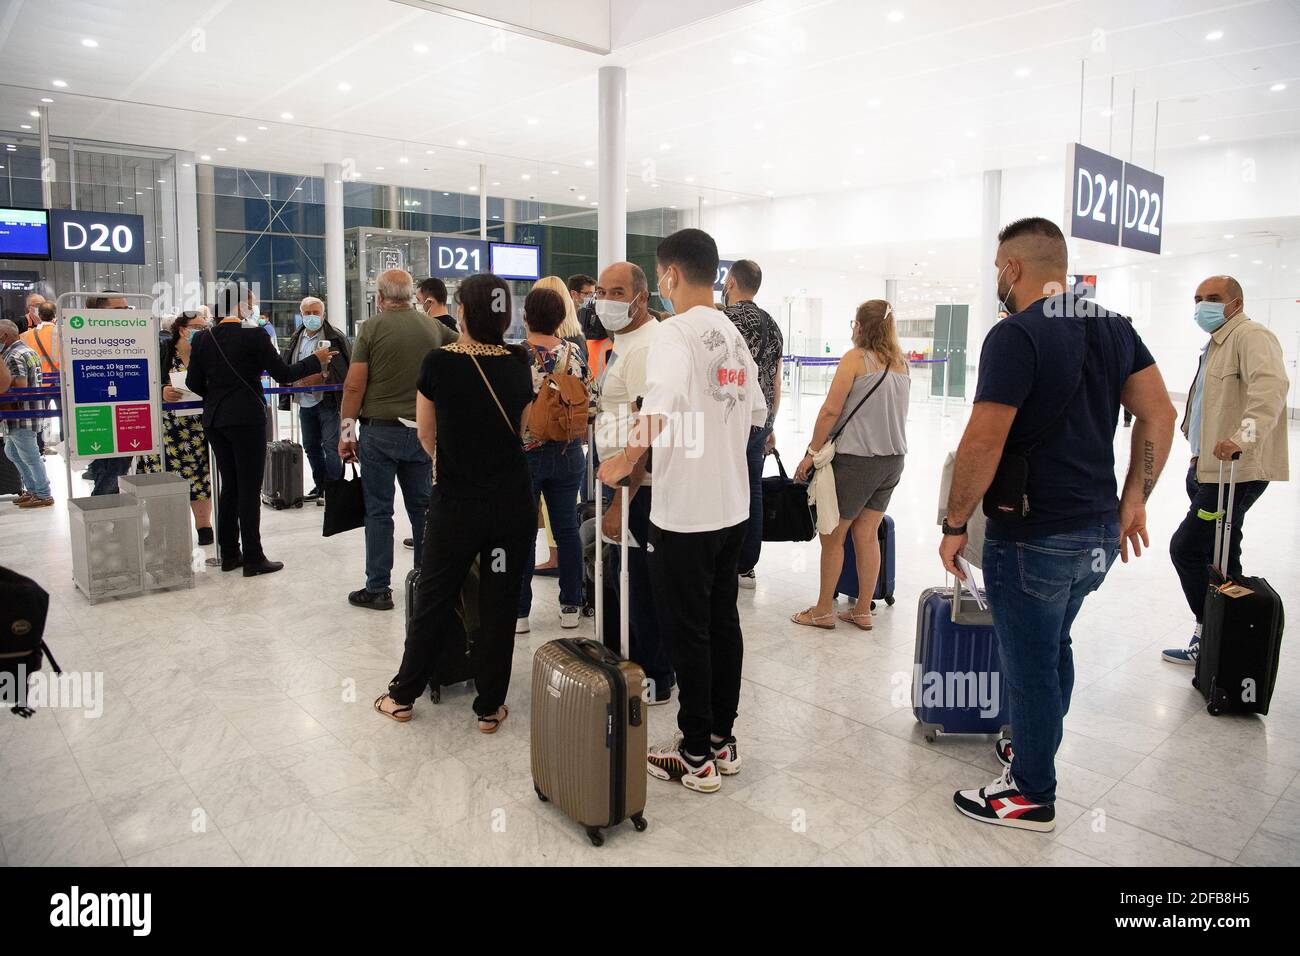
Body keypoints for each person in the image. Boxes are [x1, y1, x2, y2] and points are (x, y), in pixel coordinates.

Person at [939, 217, 1176, 832]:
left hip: (1033, 536)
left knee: (1029, 664)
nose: (997, 277)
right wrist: (1136, 498)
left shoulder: (1015, 335)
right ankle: (1029, 752)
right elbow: (1159, 412)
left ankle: (1029, 794)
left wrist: (954, 521)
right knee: (1054, 646)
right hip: (1096, 533)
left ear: (1014, 268)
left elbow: (983, 441)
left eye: (998, 268)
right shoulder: (1114, 327)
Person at [599, 228, 766, 793]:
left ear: (669, 276)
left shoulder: (674, 334)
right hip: (731, 506)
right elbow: (754, 415)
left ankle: (694, 754)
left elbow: (662, 406)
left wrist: (626, 459)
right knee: (723, 623)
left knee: (687, 631)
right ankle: (722, 739)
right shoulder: (734, 334)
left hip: (684, 515)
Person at [373, 273, 534, 734]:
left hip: (456, 507)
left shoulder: (439, 363)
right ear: (505, 314)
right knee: (499, 601)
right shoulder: (518, 360)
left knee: (436, 595)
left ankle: (403, 695)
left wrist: (454, 463)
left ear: (461, 312)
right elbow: (520, 431)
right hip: (509, 507)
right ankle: (489, 707)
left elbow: (426, 434)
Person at [1161, 276, 1290, 664]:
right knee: (1224, 556)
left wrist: (1241, 439)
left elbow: (1271, 391)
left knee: (1187, 548)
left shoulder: (1251, 337)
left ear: (1236, 303)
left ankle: (1211, 633)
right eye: (1198, 298)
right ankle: (1231, 644)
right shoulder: (1216, 344)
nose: (1203, 305)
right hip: (1209, 469)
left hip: (1237, 472)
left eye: (1213, 298)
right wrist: (1197, 452)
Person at [186, 284, 334, 576]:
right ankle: (253, 557)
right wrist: (315, 361)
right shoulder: (254, 336)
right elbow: (284, 374)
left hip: (216, 420)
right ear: (240, 306)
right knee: (249, 488)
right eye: (250, 303)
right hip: (247, 419)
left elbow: (193, 383)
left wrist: (217, 395)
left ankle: (229, 554)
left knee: (230, 486)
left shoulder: (203, 339)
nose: (253, 308)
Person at [338, 268, 458, 610]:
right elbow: (463, 349)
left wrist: (347, 433)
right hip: (421, 431)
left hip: (379, 433)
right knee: (422, 508)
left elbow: (354, 385)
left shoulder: (371, 329)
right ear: (411, 296)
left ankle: (378, 588)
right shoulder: (434, 326)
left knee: (378, 512)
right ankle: (424, 583)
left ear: (379, 297)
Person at [791, 299, 908, 631]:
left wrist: (811, 452)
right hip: (893, 460)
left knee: (832, 534)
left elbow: (830, 411)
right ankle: (862, 610)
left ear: (861, 326)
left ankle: (823, 610)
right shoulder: (901, 363)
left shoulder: (856, 359)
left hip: (858, 460)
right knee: (867, 533)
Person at [593, 260, 675, 702]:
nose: (606, 300)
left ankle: (654, 677)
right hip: (626, 480)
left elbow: (649, 429)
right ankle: (645, 669)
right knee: (635, 583)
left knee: (643, 586)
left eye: (618, 292)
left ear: (642, 298)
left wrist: (620, 502)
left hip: (639, 487)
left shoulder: (646, 348)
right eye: (602, 291)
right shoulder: (627, 342)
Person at [514, 286, 590, 634]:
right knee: (566, 530)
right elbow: (592, 396)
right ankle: (571, 605)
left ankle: (520, 613)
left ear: (525, 316)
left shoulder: (515, 355)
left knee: (523, 533)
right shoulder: (574, 353)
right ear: (561, 319)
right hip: (568, 451)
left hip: (525, 454)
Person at [722, 259, 783, 589]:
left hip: (728, 419)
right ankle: (747, 566)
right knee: (753, 488)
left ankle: (726, 559)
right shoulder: (773, 324)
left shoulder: (723, 320)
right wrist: (771, 421)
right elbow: (775, 381)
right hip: (760, 421)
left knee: (726, 488)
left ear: (730, 281)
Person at [138, 311, 214, 544]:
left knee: (200, 476)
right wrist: (162, 389)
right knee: (159, 475)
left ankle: (204, 526)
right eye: (198, 327)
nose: (203, 331)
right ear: (182, 329)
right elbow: (143, 378)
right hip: (165, 426)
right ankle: (159, 527)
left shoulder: (207, 353)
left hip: (197, 425)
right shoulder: (162, 350)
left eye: (205, 327)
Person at [280, 296, 350, 499]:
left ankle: (334, 489)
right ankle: (321, 486)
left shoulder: (335, 337)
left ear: (323, 315)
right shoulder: (296, 338)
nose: (311, 317)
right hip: (305, 401)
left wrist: (323, 377)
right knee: (311, 446)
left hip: (328, 400)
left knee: (331, 445)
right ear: (301, 315)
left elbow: (345, 369)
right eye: (307, 313)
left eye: (315, 313)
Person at [84, 293, 136, 495]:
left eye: (126, 310)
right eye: (118, 310)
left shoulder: (133, 337)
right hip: (95, 415)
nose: (124, 315)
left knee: (116, 468)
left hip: (128, 413)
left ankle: (105, 515)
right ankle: (102, 516)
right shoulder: (79, 338)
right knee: (105, 469)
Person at [0, 319, 53, 508]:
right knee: (12, 451)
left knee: (29, 455)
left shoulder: (13, 355)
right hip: (29, 412)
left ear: (4, 336)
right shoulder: (28, 351)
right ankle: (32, 490)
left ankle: (43, 494)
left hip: (20, 415)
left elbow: (20, 386)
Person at [20, 302, 60, 377]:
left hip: (36, 379)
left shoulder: (25, 335)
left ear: (39, 315)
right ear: (55, 315)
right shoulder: (64, 333)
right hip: (59, 380)